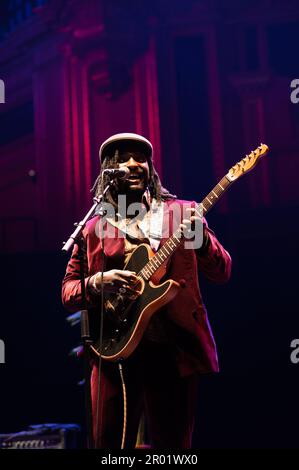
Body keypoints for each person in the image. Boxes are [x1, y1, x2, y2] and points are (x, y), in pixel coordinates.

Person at [62, 132, 232, 449]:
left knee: (173, 447)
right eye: (124, 159)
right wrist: (97, 283)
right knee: (106, 445)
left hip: (172, 349)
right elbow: (68, 290)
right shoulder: (95, 228)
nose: (134, 164)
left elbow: (221, 272)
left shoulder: (181, 214)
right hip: (113, 350)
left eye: (140, 158)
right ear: (109, 172)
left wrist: (204, 240)